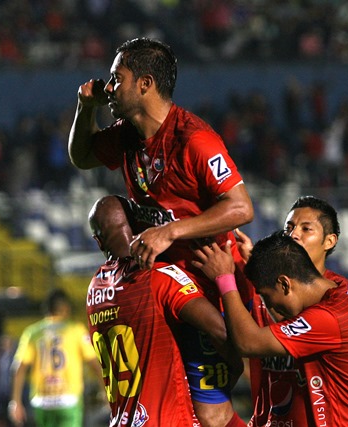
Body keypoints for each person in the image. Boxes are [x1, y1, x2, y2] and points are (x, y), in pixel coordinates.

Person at [68, 37, 253, 426]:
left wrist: (170, 233)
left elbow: (241, 207)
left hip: (206, 286)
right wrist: (86, 108)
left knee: (210, 413)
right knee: (186, 411)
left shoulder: (194, 139)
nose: (109, 88)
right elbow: (82, 156)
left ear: (145, 83)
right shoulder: (127, 135)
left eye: (117, 78)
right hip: (169, 288)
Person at [192, 232, 348, 426]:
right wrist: (259, 264)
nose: (269, 305)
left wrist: (224, 279)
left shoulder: (328, 318)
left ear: (285, 283)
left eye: (267, 296)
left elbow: (248, 343)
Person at [86, 194, 244, 427]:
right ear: (143, 226)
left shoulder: (93, 290)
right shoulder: (157, 276)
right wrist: (236, 366)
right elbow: (220, 330)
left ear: (99, 242)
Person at [233, 195, 348, 426]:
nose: (294, 234)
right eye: (289, 227)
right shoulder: (345, 292)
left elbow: (284, 325)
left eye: (306, 228)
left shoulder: (337, 304)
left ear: (329, 241)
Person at [9, 288, 99, 427]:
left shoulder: (32, 333)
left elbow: (19, 367)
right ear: (65, 307)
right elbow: (94, 363)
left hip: (42, 400)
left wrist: (15, 401)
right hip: (68, 399)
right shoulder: (75, 330)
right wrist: (106, 390)